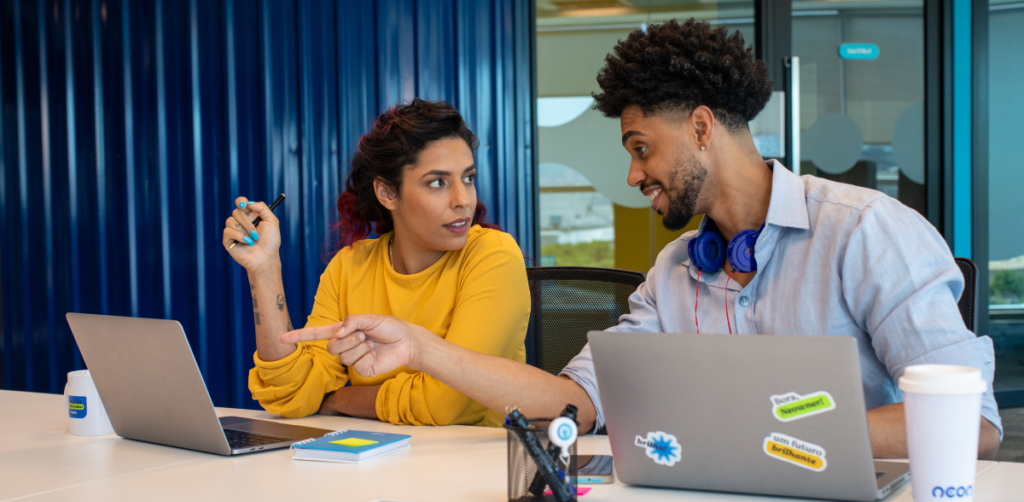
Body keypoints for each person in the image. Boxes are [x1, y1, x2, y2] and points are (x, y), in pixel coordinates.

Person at [283, 20, 1001, 459]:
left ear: (698, 126)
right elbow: (573, 403)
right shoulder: (678, 268)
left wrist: (753, 429)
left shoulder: (868, 232)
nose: (633, 174)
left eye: (640, 147)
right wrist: (422, 349)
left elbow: (972, 428)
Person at [222, 98, 530, 427]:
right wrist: (264, 269)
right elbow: (292, 396)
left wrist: (340, 399)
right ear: (387, 193)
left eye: (468, 178)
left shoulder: (493, 256)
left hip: (472, 469)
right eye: (438, 182)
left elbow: (447, 405)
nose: (464, 199)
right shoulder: (350, 267)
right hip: (375, 465)